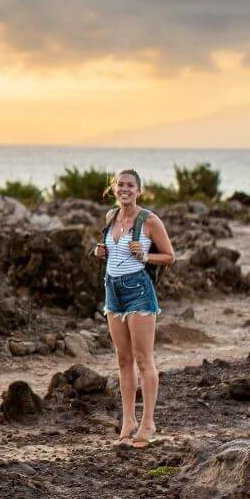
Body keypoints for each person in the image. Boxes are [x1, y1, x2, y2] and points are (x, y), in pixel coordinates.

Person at [93, 169, 175, 448]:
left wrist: (146, 254)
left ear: (139, 190)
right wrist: (100, 251)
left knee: (143, 359)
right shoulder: (110, 217)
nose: (125, 189)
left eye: (130, 185)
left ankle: (148, 421)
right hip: (112, 291)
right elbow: (112, 252)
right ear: (114, 189)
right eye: (120, 185)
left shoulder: (149, 220)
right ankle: (128, 421)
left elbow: (170, 257)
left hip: (138, 291)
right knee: (123, 360)